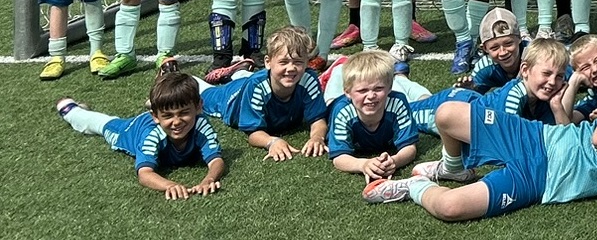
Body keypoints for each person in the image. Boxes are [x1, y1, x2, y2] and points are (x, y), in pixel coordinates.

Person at [362, 88, 597, 219]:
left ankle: (413, 188)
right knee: (447, 115)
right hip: (535, 138)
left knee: (449, 208)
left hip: (538, 181)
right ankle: (453, 167)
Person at [57, 73, 225, 199]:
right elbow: (144, 174)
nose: (177, 122)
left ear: (198, 107)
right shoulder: (152, 135)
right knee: (105, 125)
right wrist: (170, 185)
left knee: (167, 110)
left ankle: (159, 104)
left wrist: (209, 179)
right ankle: (71, 110)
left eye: (184, 113)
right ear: (156, 117)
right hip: (130, 130)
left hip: (156, 117)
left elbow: (216, 160)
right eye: (168, 115)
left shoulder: (201, 124)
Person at [198, 25, 329, 162]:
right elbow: (253, 133)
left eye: (298, 62)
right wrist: (272, 142)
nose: (291, 68)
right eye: (283, 62)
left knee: (251, 79)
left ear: (307, 62)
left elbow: (318, 119)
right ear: (267, 62)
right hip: (233, 97)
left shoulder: (308, 79)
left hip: (255, 80)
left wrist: (317, 137)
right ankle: (193, 78)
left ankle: (240, 71)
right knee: (201, 93)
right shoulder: (257, 88)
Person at [325, 49, 420, 182]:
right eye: (362, 90)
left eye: (378, 89)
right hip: (335, 101)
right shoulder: (342, 111)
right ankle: (337, 69)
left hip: (383, 93)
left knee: (418, 99)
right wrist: (363, 165)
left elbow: (409, 148)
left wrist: (394, 161)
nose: (371, 96)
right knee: (330, 98)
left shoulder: (397, 103)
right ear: (347, 92)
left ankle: (400, 78)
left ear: (390, 88)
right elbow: (339, 157)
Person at [481, 38, 573, 126]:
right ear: (525, 70)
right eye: (546, 73)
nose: (552, 82)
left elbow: (564, 134)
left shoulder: (542, 99)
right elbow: (508, 135)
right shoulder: (514, 96)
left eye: (559, 76)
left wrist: (556, 105)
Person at [460, 8, 527, 94]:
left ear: (520, 38)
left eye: (508, 44)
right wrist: (469, 91)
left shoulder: (534, 56)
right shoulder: (484, 66)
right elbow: (474, 98)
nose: (503, 52)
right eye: (495, 48)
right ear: (485, 48)